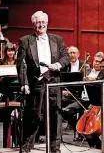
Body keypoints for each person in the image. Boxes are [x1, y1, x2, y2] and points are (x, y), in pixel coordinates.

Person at [16, 11, 69, 153]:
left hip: (53, 82)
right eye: (38, 22)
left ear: (47, 23)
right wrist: (24, 84)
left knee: (55, 116)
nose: (41, 25)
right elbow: (21, 65)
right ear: (33, 24)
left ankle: (54, 148)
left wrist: (57, 65)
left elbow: (65, 57)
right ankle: (27, 147)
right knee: (34, 116)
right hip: (36, 83)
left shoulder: (57, 39)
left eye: (44, 22)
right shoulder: (25, 40)